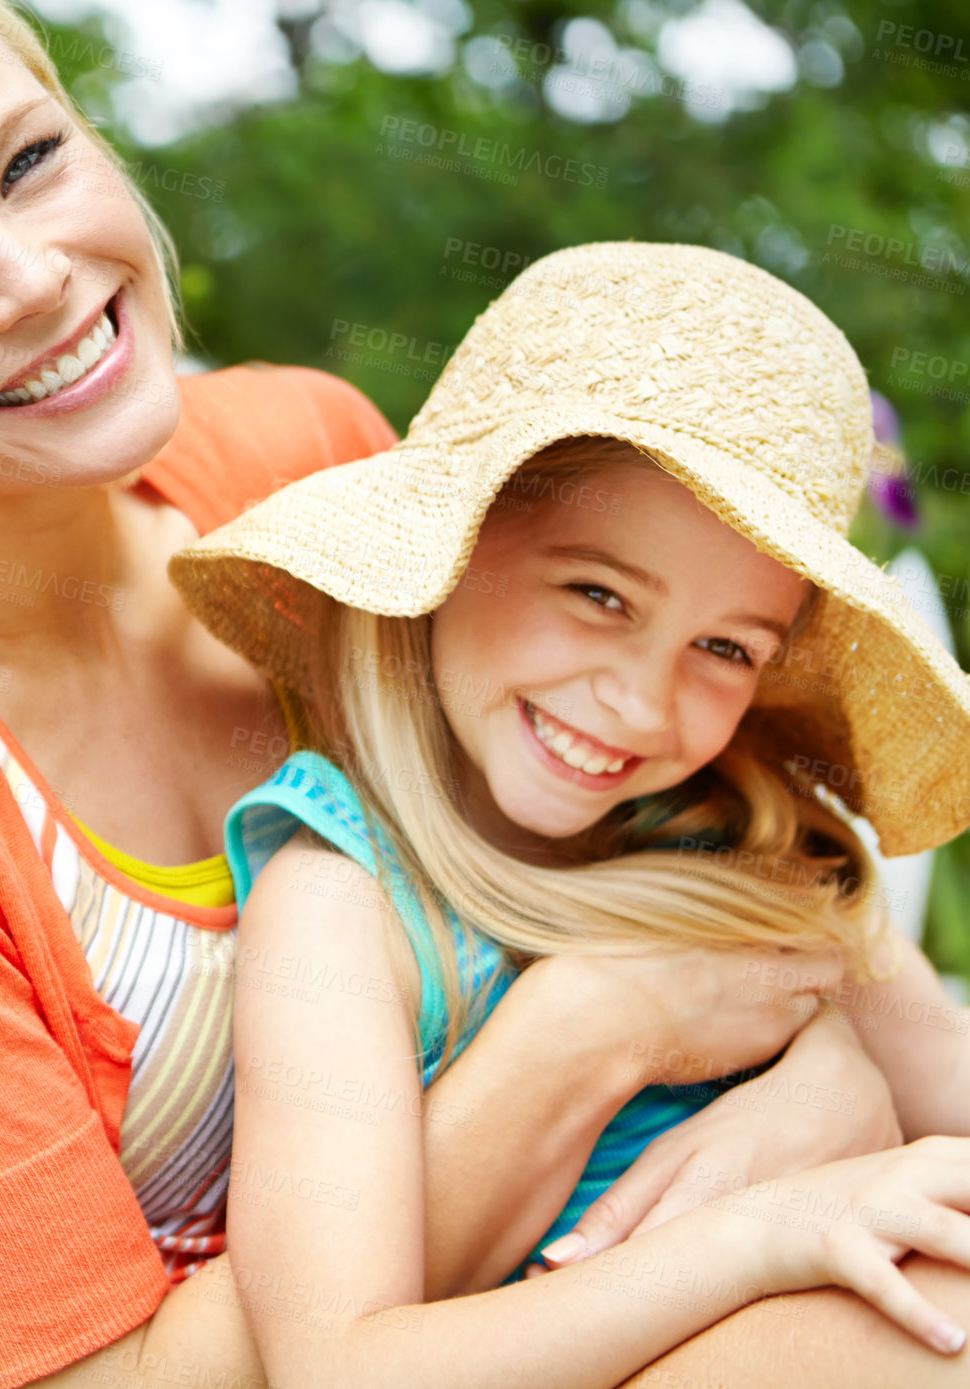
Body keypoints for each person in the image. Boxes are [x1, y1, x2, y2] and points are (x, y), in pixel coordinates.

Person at [0, 1, 924, 1384]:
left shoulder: (306, 475)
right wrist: (591, 1037)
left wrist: (821, 1096)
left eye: (27, 161)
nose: (29, 276)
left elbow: (741, 888)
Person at [168, 240, 970, 1387]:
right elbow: (337, 1367)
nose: (641, 701)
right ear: (450, 550)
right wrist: (755, 1237)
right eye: (597, 594)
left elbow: (944, 1072)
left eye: (723, 648)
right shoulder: (344, 903)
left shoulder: (746, 844)